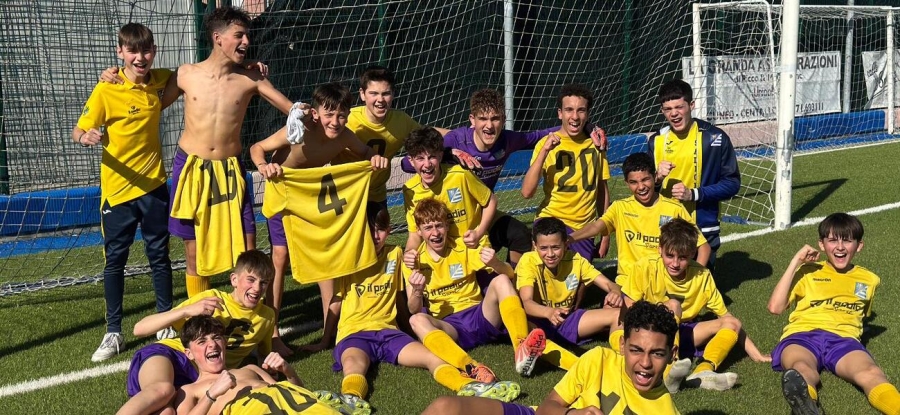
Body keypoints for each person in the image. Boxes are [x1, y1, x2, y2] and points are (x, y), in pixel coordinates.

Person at [302, 207, 519, 414]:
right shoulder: (348, 260)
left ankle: (469, 385)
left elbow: (398, 298)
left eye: (380, 230)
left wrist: (409, 329)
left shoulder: (395, 254)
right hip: (355, 333)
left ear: (388, 231)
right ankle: (351, 398)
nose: (375, 236)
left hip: (389, 333)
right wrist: (325, 340)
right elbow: (336, 301)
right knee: (353, 365)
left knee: (433, 358)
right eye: (370, 231)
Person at [164, 6, 294, 297]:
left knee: (247, 249)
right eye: (239, 35)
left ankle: (250, 318)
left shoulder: (251, 78)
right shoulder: (185, 74)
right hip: (191, 169)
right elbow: (150, 105)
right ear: (217, 38)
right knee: (194, 252)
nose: (246, 41)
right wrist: (117, 79)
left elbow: (292, 111)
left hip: (231, 171)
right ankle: (199, 319)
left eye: (247, 35)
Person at [250, 82, 388, 351]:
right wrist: (264, 166)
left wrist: (375, 158)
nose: (335, 121)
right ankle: (273, 333)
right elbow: (257, 147)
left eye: (341, 115)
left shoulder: (344, 136)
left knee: (324, 254)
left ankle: (330, 332)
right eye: (329, 115)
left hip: (312, 197)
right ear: (315, 114)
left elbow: (365, 152)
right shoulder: (300, 130)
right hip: (285, 192)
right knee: (280, 256)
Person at [73, 23, 178, 362]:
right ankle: (113, 332)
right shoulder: (107, 88)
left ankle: (165, 322)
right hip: (117, 193)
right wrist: (86, 137)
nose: (140, 58)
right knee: (115, 261)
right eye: (132, 51)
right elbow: (78, 130)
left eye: (146, 50)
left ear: (154, 51)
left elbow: (196, 75)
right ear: (120, 52)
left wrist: (247, 66)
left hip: (154, 187)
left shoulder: (161, 80)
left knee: (159, 256)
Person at [403, 198, 578, 383]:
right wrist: (417, 291)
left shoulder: (462, 247)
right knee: (416, 320)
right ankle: (471, 367)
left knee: (501, 280)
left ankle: (522, 347)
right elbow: (413, 309)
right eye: (428, 228)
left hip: (480, 315)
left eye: (439, 225)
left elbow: (510, 274)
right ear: (419, 231)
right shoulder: (413, 261)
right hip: (450, 326)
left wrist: (495, 263)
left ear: (447, 225)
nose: (435, 232)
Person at [420, 300, 681, 415]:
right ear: (623, 345)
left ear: (671, 354)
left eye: (657, 353)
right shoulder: (599, 359)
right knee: (446, 407)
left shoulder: (665, 411)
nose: (645, 363)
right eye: (636, 350)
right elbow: (547, 408)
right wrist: (572, 414)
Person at [400, 88, 560, 266]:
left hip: (483, 212)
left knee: (520, 234)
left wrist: (579, 126)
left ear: (503, 119)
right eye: (483, 119)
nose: (489, 126)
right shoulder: (456, 140)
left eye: (495, 118)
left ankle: (516, 277)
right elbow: (408, 163)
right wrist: (449, 153)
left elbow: (537, 136)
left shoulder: (507, 140)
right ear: (472, 120)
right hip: (453, 218)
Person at [767, 213, 900, 415]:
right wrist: (796, 262)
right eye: (832, 240)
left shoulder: (869, 279)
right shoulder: (807, 271)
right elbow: (775, 308)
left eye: (847, 240)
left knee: (871, 372)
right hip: (802, 336)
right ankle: (807, 406)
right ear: (821, 244)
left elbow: (859, 316)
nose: (840, 247)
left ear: (859, 246)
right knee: (801, 368)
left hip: (844, 340)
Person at [118, 250, 278, 415]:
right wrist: (187, 310)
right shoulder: (213, 298)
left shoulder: (267, 316)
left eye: (263, 282)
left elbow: (264, 355)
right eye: (251, 280)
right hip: (171, 353)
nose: (257, 288)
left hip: (199, 376)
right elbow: (139, 329)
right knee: (163, 389)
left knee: (167, 412)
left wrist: (271, 365)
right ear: (234, 279)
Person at [621, 218, 769, 392]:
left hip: (684, 333)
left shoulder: (702, 275)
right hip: (650, 335)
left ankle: (703, 370)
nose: (675, 263)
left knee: (732, 323)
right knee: (673, 305)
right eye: (670, 256)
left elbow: (726, 317)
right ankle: (669, 371)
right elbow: (630, 310)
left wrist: (756, 355)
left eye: (682, 257)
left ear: (692, 253)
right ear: (659, 249)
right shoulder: (645, 267)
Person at [569, 152, 710, 288]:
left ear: (655, 177)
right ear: (626, 183)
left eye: (645, 179)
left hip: (662, 285)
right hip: (627, 283)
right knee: (611, 304)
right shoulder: (620, 208)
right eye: (633, 182)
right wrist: (569, 239)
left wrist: (693, 280)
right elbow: (596, 227)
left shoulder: (674, 209)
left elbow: (704, 247)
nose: (641, 187)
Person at [648, 79, 740, 270]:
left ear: (691, 105)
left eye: (679, 107)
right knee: (665, 284)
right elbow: (644, 187)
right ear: (662, 110)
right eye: (668, 109)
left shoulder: (715, 138)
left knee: (701, 282)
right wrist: (657, 179)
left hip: (703, 225)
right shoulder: (656, 140)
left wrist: (694, 194)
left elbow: (732, 183)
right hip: (665, 225)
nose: (674, 113)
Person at [173, 315, 340, 415]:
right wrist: (212, 394)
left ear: (224, 343)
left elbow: (301, 396)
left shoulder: (250, 369)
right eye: (202, 341)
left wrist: (288, 372)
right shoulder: (189, 390)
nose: (212, 345)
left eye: (216, 338)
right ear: (189, 353)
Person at [402, 127, 500, 289]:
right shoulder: (410, 190)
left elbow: (491, 201)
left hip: (473, 250)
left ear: (440, 156)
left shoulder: (460, 175)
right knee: (413, 281)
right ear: (411, 161)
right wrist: (409, 253)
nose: (427, 164)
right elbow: (414, 232)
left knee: (498, 287)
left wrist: (478, 233)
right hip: (443, 257)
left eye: (432, 157)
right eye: (420, 158)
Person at [522, 84, 610, 263]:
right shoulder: (546, 144)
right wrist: (544, 151)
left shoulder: (596, 143)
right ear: (559, 113)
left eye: (581, 110)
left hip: (583, 229)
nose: (575, 117)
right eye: (569, 110)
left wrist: (606, 232)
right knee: (542, 275)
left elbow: (602, 189)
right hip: (551, 219)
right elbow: (526, 192)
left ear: (588, 114)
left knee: (576, 280)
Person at [517, 217, 623, 348]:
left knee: (618, 314)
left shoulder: (576, 260)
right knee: (526, 326)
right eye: (543, 248)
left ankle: (619, 356)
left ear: (566, 244)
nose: (550, 254)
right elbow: (527, 303)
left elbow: (609, 284)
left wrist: (615, 292)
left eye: (556, 247)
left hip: (567, 320)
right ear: (535, 246)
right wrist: (549, 312)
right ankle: (533, 347)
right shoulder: (528, 261)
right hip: (538, 322)